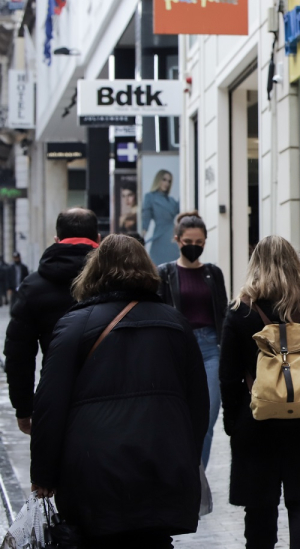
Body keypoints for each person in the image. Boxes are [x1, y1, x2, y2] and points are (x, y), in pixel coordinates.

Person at [30, 234, 209, 549]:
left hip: (93, 470)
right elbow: (198, 403)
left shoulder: (73, 325)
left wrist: (44, 473)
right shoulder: (176, 324)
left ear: (94, 272)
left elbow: (49, 404)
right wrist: (184, 455)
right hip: (162, 466)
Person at [220, 236, 300, 549]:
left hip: (257, 420)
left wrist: (234, 424)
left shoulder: (240, 311)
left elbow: (228, 377)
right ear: (296, 264)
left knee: (259, 510)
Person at [4, 209, 100, 436]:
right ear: (98, 239)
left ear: (57, 240)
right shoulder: (115, 278)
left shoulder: (33, 286)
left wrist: (23, 408)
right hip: (112, 393)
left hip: (57, 392)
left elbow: (19, 355)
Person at [158, 211, 228, 469]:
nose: (194, 247)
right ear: (177, 239)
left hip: (211, 348)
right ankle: (182, 476)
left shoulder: (213, 273)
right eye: (189, 241)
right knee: (178, 418)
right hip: (178, 348)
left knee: (207, 419)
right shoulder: (165, 273)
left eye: (199, 243)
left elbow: (223, 313)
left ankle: (197, 483)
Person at [142, 169, 180, 265]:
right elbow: (146, 219)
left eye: (169, 181)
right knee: (158, 266)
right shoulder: (150, 197)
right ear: (158, 180)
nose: (166, 183)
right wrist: (141, 240)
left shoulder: (171, 201)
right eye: (164, 179)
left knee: (174, 265)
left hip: (172, 237)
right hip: (160, 236)